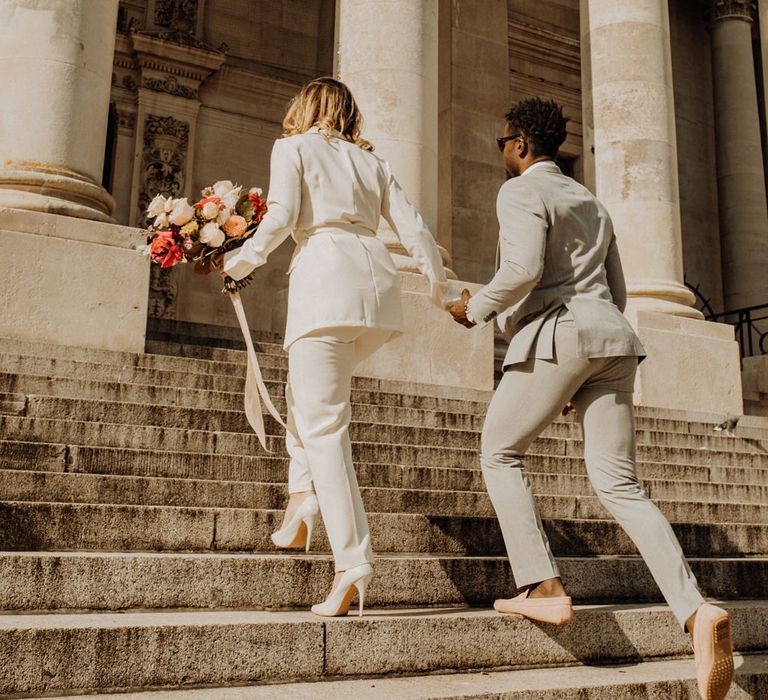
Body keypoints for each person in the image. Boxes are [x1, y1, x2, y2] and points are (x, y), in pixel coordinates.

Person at [448, 97, 734, 700]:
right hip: (612, 340)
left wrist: (473, 309)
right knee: (621, 487)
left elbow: (523, 270)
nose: (500, 152)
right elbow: (621, 290)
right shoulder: (593, 202)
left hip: (560, 333)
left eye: (503, 141)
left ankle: (543, 588)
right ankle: (696, 610)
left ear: (522, 144)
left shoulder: (522, 191)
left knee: (499, 452)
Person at [215, 77, 454, 618]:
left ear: (306, 108)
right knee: (307, 402)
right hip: (378, 291)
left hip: (325, 282)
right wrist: (441, 293)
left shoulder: (293, 148)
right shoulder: (375, 164)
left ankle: (352, 560)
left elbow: (279, 217)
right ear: (349, 114)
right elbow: (415, 230)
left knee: (323, 426)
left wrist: (243, 261)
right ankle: (301, 503)